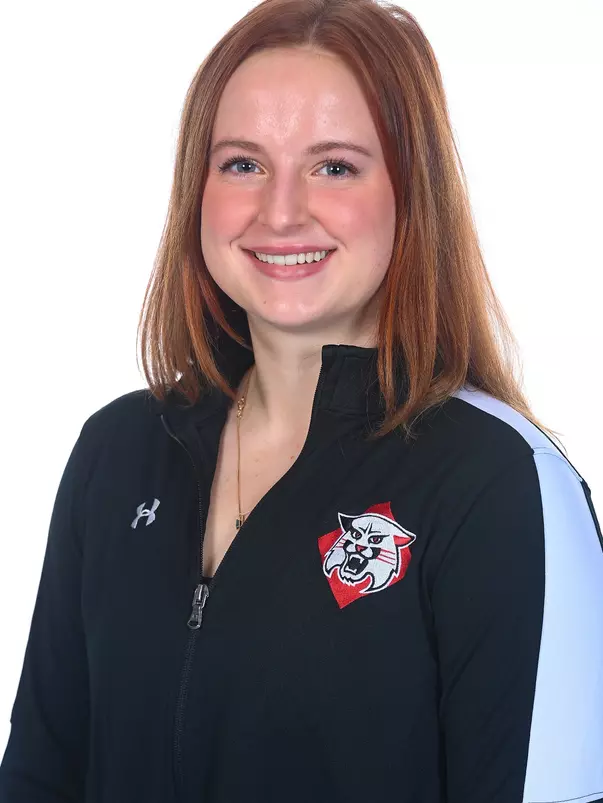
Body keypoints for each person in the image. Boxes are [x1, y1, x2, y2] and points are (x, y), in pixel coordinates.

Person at [1, 0, 602, 801]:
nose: (280, 212)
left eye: (334, 167)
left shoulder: (498, 483)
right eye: (242, 164)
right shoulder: (118, 450)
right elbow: (40, 772)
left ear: (410, 192)